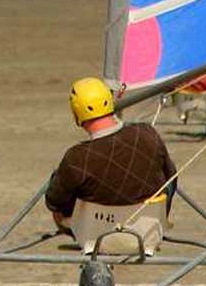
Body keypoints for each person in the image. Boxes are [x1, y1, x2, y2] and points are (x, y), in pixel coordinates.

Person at [45, 77, 178, 233]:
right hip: (148, 232)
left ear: (76, 112)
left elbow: (54, 202)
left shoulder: (76, 157)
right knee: (167, 176)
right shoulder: (148, 133)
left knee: (61, 184)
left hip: (95, 237)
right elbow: (171, 175)